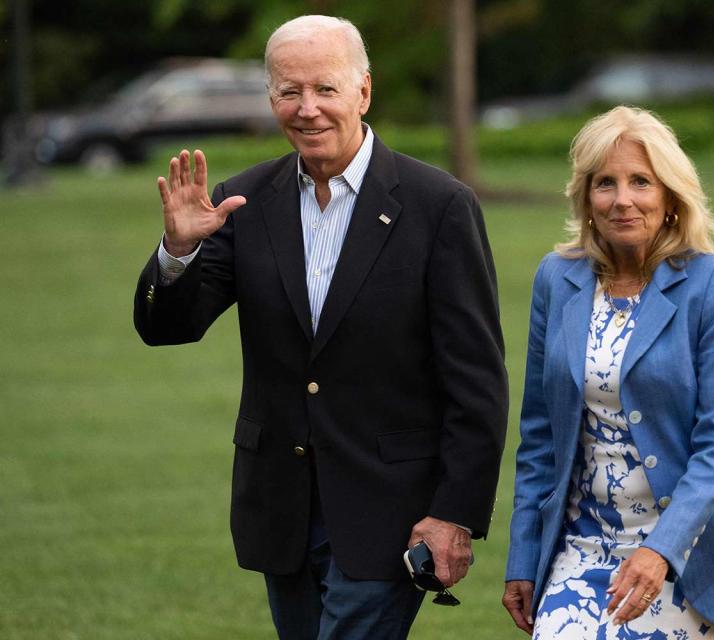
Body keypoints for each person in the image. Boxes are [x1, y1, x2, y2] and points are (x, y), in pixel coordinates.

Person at [133, 15, 508, 640]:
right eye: (289, 91)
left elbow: (477, 381)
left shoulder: (437, 206)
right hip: (280, 508)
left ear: (363, 91)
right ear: (271, 97)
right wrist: (177, 252)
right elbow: (168, 328)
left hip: (390, 511)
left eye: (325, 89)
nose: (307, 109)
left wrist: (454, 514)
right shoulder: (242, 203)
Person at [501, 106, 714, 639]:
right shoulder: (558, 278)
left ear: (670, 197)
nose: (622, 199)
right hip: (584, 546)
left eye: (641, 181)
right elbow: (540, 435)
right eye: (605, 183)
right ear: (586, 198)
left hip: (698, 546)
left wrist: (661, 549)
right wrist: (524, 558)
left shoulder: (713, 283)